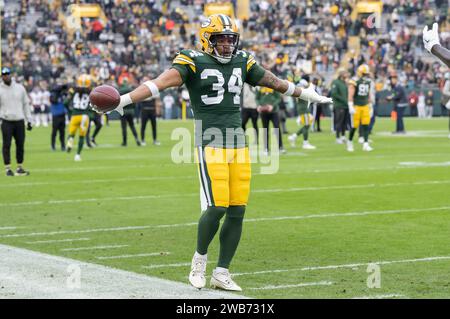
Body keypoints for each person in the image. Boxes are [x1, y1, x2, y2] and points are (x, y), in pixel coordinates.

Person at [90, 14, 331, 291]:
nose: (228, 44)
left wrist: (306, 94)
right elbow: (160, 83)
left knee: (238, 210)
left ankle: (222, 271)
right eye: (221, 39)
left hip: (238, 144)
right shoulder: (192, 60)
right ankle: (199, 260)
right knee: (216, 206)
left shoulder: (243, 60)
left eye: (231, 39)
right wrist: (123, 99)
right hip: (210, 141)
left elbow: (273, 81)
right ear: (207, 40)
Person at [0, 67, 32, 176]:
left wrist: (29, 120)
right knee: (6, 144)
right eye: (4, 75)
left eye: (7, 74)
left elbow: (25, 104)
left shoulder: (19, 88)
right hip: (6, 120)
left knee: (20, 144)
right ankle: (7, 168)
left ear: (10, 75)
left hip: (19, 119)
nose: (6, 76)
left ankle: (19, 167)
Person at [347, 64, 373, 152]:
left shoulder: (368, 81)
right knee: (354, 126)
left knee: (366, 125)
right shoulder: (354, 81)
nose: (365, 76)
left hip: (365, 105)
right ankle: (349, 142)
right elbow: (350, 93)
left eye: (366, 74)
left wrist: (370, 105)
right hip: (357, 106)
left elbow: (368, 94)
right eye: (364, 74)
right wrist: (350, 105)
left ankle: (366, 144)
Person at [66, 74, 93, 161]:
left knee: (71, 134)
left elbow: (65, 102)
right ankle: (77, 155)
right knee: (81, 137)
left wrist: (70, 111)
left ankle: (70, 140)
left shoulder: (73, 90)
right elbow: (92, 104)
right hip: (84, 116)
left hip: (75, 115)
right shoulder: (90, 91)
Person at [288, 77, 316, 149]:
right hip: (303, 109)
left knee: (307, 125)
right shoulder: (300, 90)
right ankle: (305, 143)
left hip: (304, 108)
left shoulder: (300, 89)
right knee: (306, 125)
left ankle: (294, 136)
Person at [256, 87, 285, 154]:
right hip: (263, 112)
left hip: (274, 111)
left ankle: (280, 147)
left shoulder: (273, 86)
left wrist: (272, 106)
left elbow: (278, 98)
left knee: (277, 127)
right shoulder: (260, 87)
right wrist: (258, 106)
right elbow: (257, 98)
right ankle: (266, 148)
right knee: (265, 129)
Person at [139, 76, 161, 146]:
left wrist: (157, 110)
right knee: (143, 126)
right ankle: (142, 140)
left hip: (152, 110)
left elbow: (157, 100)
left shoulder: (154, 89)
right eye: (144, 80)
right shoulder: (141, 89)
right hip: (144, 109)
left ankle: (155, 140)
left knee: (154, 126)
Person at [119, 79, 141, 147]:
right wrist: (133, 108)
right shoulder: (130, 89)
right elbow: (134, 100)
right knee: (132, 126)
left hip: (123, 111)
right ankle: (137, 139)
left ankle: (125, 142)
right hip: (131, 111)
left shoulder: (120, 90)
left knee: (124, 127)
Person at [330, 68, 349, 144]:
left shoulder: (344, 82)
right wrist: (344, 100)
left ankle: (343, 136)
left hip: (345, 105)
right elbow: (334, 94)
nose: (347, 75)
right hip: (339, 105)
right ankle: (338, 137)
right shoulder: (336, 82)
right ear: (341, 74)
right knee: (339, 122)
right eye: (345, 73)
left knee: (345, 122)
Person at [49, 83, 68, 151]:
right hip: (55, 115)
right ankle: (53, 145)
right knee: (54, 131)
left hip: (62, 114)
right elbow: (53, 101)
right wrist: (58, 92)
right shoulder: (53, 94)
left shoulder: (62, 94)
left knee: (62, 132)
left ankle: (63, 146)